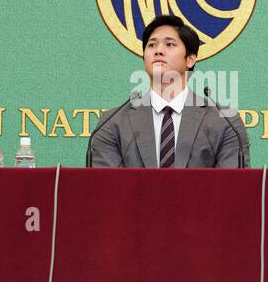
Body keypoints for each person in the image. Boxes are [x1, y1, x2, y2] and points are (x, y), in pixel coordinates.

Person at [86, 14, 249, 167]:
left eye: (169, 44)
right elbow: (107, 190)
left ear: (190, 59)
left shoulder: (225, 122)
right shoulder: (112, 124)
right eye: (151, 45)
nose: (158, 50)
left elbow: (231, 189)